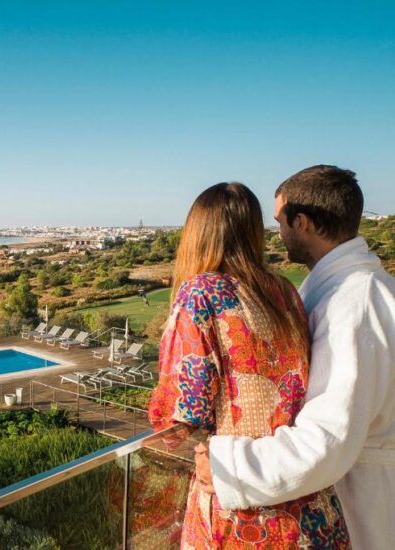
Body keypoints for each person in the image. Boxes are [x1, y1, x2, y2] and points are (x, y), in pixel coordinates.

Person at [195, 166, 395, 548]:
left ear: (302, 222)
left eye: (280, 222)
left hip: (362, 505)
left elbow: (327, 440)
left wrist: (227, 466)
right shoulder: (364, 288)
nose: (278, 234)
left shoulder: (353, 307)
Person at [148, 182, 351, 547]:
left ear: (197, 233)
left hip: (240, 508)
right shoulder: (284, 291)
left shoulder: (200, 294)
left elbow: (181, 414)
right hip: (308, 505)